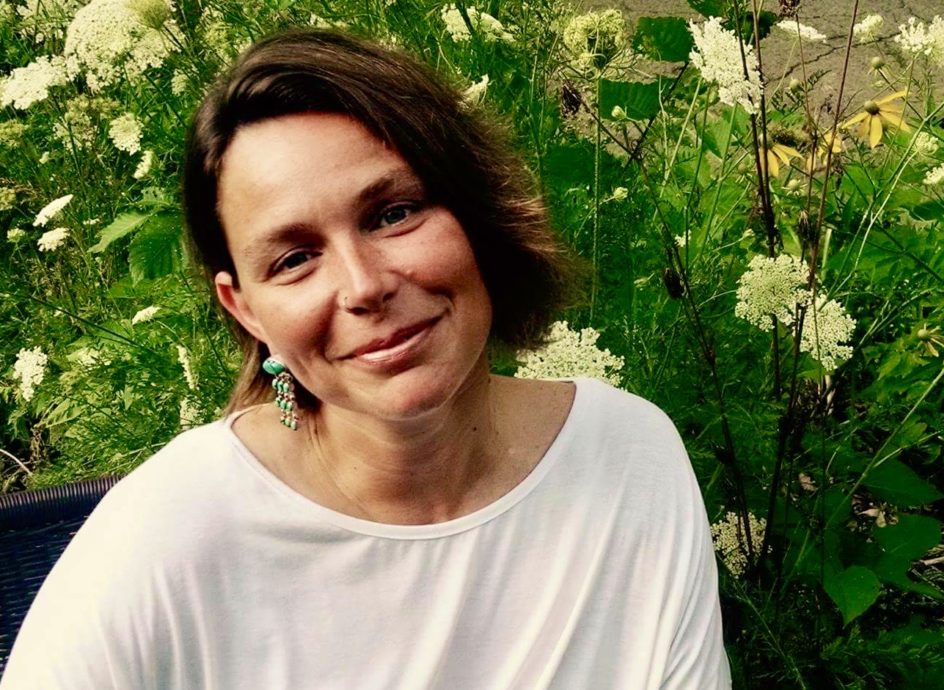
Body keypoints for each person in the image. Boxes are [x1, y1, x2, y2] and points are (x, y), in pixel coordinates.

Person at [1, 29, 730, 689]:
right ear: (245, 309)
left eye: (393, 213)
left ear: (477, 211)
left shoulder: (629, 459)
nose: (364, 286)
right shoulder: (167, 538)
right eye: (293, 259)